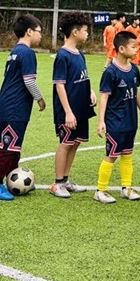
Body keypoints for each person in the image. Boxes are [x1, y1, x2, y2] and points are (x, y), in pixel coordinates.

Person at [0, 14, 47, 201]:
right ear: (29, 31)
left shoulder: (15, 51)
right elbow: (29, 81)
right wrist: (39, 98)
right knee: (8, 146)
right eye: (39, 31)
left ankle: (12, 178)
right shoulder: (27, 53)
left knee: (13, 146)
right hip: (14, 107)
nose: (40, 36)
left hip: (10, 105)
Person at [94, 29, 140, 203]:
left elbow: (135, 91)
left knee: (127, 154)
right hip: (115, 122)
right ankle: (100, 190)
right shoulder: (110, 72)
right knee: (112, 155)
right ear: (121, 49)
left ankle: (126, 188)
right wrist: (101, 121)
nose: (136, 50)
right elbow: (104, 96)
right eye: (133, 47)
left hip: (130, 120)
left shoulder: (134, 70)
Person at [50, 11, 95, 198]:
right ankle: (58, 183)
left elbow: (83, 76)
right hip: (68, 111)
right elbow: (59, 84)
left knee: (75, 143)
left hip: (81, 108)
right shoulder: (63, 55)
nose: (87, 33)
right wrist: (68, 112)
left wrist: (90, 92)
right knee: (66, 143)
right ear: (75, 32)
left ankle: (66, 179)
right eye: (85, 30)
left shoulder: (79, 54)